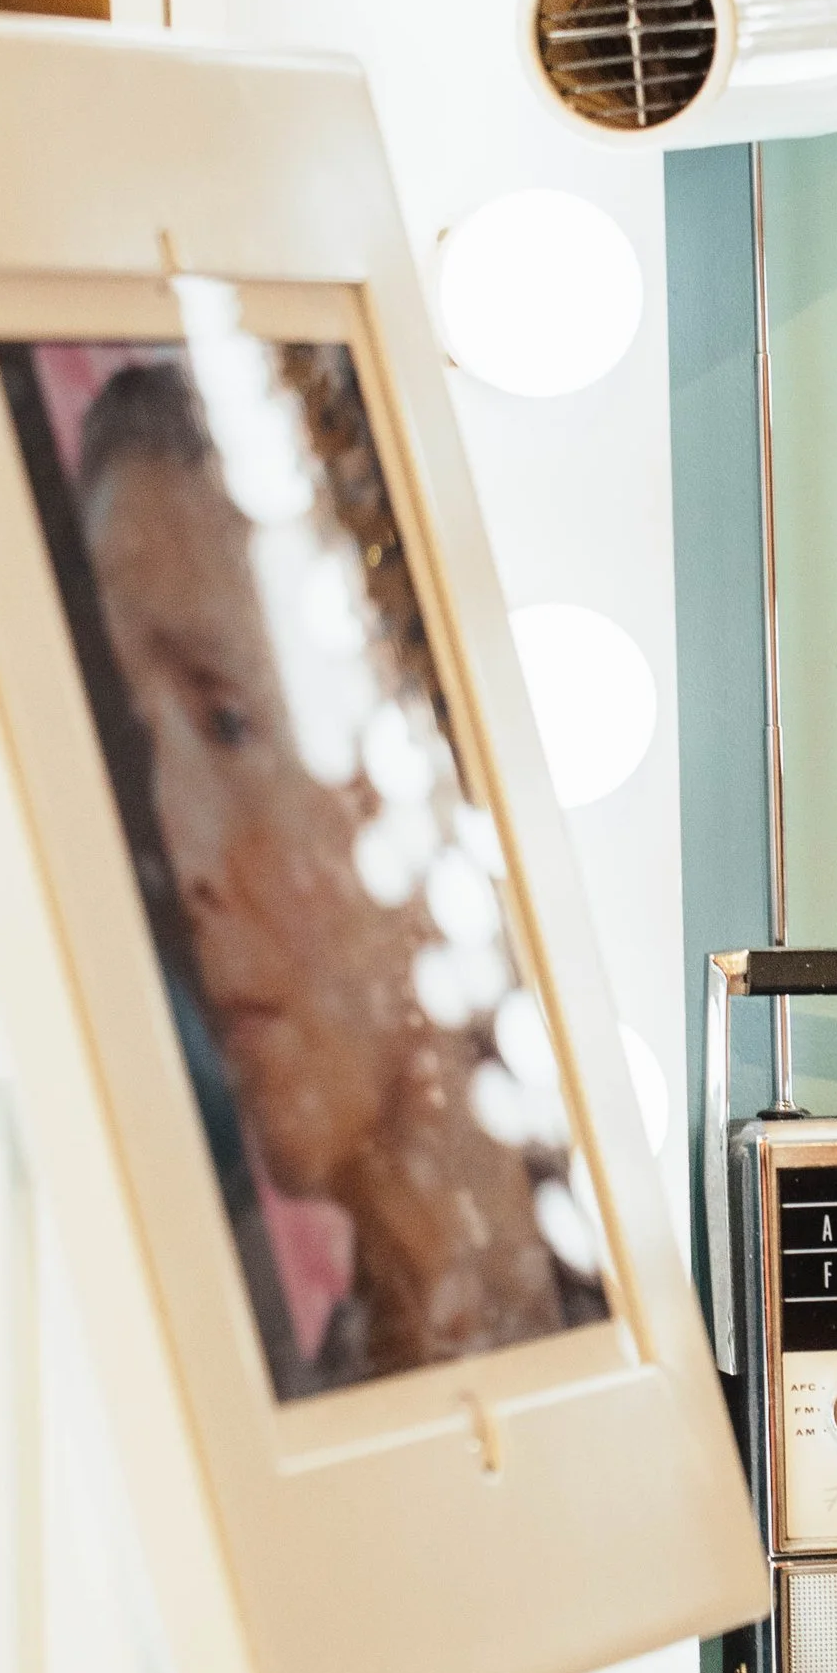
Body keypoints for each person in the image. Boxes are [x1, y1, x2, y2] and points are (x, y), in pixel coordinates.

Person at [71, 351, 589, 1386]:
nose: (181, 855)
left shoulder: (642, 1274)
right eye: (143, 742)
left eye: (228, 719)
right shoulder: (200, 1360)